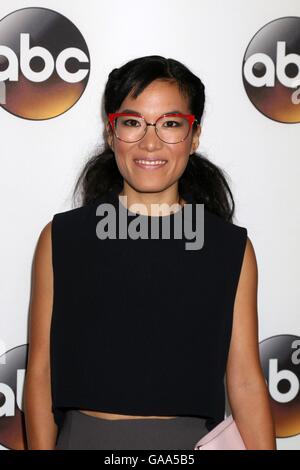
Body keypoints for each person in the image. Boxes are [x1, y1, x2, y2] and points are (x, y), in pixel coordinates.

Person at [24, 55, 277, 450]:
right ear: (112, 133)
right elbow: (40, 372)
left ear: (194, 137)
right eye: (132, 122)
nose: (150, 142)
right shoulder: (61, 239)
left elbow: (244, 379)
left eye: (171, 124)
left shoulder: (230, 249)